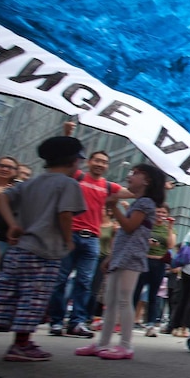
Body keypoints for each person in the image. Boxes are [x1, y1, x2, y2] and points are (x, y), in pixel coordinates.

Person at [0, 137, 87, 361]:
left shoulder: (30, 183)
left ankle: (18, 340)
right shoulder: (68, 184)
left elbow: (1, 199)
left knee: (5, 293)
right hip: (44, 251)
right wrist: (68, 240)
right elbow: (65, 214)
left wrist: (12, 224)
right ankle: (21, 344)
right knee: (33, 298)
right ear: (74, 161)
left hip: (19, 250)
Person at [75, 163, 167, 360]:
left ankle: (125, 345)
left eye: (135, 174)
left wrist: (113, 207)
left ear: (147, 181)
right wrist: (111, 256)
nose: (129, 176)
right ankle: (103, 343)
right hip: (123, 255)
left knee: (124, 300)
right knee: (112, 301)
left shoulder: (145, 203)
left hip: (132, 257)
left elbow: (129, 227)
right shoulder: (139, 203)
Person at [47, 145, 133, 338]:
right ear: (88, 162)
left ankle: (77, 322)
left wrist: (160, 186)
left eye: (104, 162)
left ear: (107, 167)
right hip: (70, 235)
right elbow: (62, 158)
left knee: (84, 283)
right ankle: (56, 321)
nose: (100, 164)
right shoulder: (77, 176)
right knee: (60, 280)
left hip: (92, 239)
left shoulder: (109, 187)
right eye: (97, 161)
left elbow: (133, 192)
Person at [133, 203, 176, 337]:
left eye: (164, 213)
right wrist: (148, 242)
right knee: (136, 292)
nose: (161, 215)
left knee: (153, 295)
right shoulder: (146, 224)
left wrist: (169, 227)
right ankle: (128, 321)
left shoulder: (167, 229)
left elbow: (170, 244)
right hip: (143, 260)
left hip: (159, 263)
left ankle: (150, 324)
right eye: (158, 212)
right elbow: (137, 239)